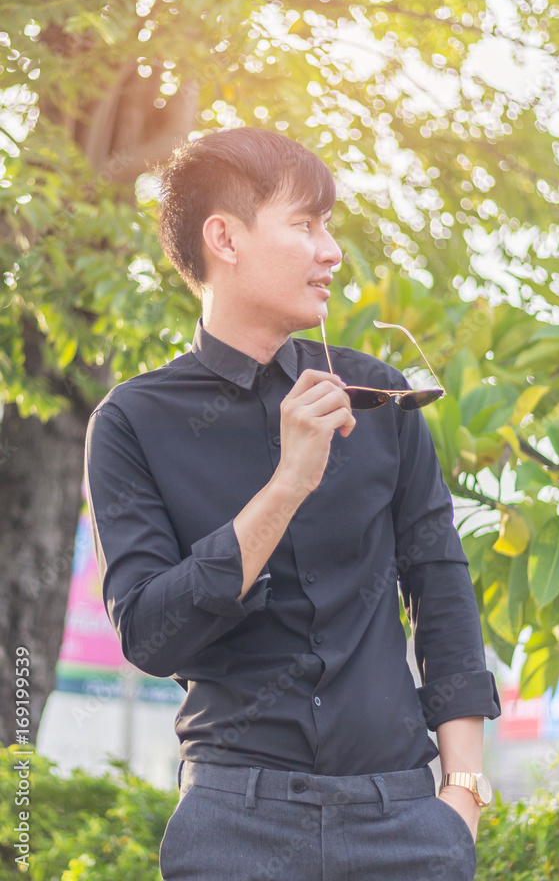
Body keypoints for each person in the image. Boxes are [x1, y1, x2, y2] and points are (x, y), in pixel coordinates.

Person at [84, 127, 501, 881]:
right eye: (305, 225)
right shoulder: (132, 422)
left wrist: (461, 794)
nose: (331, 251)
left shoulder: (378, 394)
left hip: (405, 825)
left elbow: (439, 583)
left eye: (328, 226)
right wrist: (287, 485)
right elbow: (149, 635)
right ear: (224, 239)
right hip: (232, 829)